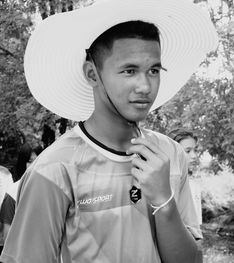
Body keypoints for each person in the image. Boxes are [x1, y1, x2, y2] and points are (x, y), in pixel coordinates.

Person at [0, 0, 218, 262]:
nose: (145, 86)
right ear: (92, 74)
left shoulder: (170, 154)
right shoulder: (55, 169)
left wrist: (163, 198)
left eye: (154, 70)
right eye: (129, 70)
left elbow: (191, 260)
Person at [0, 144, 43, 248]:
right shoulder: (13, 192)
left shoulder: (51, 190)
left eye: (38, 160)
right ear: (22, 163)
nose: (34, 165)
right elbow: (7, 235)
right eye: (30, 161)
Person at [169, 129, 202, 225]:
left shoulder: (194, 183)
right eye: (187, 151)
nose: (194, 156)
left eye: (195, 150)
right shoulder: (165, 185)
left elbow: (196, 226)